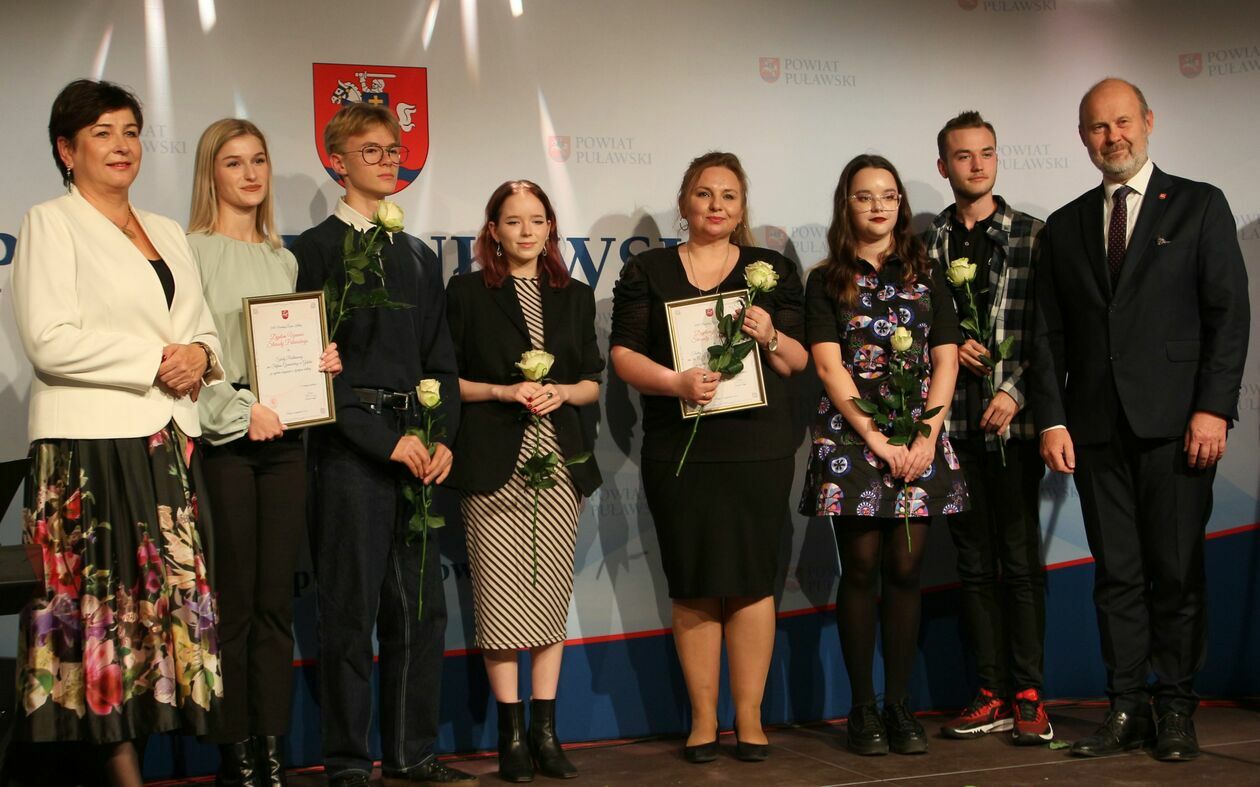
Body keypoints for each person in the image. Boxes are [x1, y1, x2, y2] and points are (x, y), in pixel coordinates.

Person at [11, 79, 225, 786]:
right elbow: (48, 340)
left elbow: (202, 330)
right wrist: (157, 360)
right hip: (88, 447)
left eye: (130, 130)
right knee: (101, 613)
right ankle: (119, 769)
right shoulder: (51, 222)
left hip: (166, 443)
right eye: (101, 132)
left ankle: (144, 762)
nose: (122, 144)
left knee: (162, 613)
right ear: (66, 150)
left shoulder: (167, 230)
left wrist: (201, 356)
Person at [1030, 77, 1250, 762]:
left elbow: (1229, 315)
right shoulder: (1065, 225)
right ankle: (1125, 705)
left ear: (1148, 122)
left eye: (1122, 122)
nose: (1112, 137)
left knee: (1176, 573)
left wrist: (1213, 407)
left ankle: (1175, 706)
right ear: (1083, 137)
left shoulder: (1199, 204)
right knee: (1117, 577)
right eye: (1098, 127)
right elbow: (1048, 334)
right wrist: (1052, 420)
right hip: (1096, 431)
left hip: (1180, 429)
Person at [291, 102, 473, 786]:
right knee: (348, 614)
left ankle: (412, 752)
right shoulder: (314, 249)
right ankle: (346, 761)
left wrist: (440, 436)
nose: (387, 161)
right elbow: (309, 367)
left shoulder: (418, 256)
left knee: (422, 611)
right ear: (338, 161)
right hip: (349, 455)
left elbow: (441, 361)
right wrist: (379, 440)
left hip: (417, 451)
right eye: (371, 151)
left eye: (393, 150)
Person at [610, 151, 808, 764]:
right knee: (694, 582)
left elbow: (798, 360)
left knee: (751, 582)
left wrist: (770, 335)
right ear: (684, 202)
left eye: (728, 195)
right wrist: (675, 382)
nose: (716, 205)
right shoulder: (648, 270)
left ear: (742, 206)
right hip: (680, 449)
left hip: (757, 448)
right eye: (704, 193)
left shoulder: (771, 269)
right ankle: (703, 721)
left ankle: (749, 719)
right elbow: (623, 354)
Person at [188, 118, 342, 786]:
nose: (250, 174)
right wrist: (239, 410)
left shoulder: (285, 259)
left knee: (276, 602)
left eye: (258, 160)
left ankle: (271, 751)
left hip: (284, 442)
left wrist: (320, 364)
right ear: (210, 173)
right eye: (233, 162)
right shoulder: (188, 251)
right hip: (224, 441)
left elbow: (286, 348)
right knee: (234, 603)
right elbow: (191, 357)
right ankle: (235, 755)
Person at [798, 154, 966, 757]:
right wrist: (876, 439)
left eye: (888, 195)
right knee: (862, 569)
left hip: (920, 438)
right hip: (854, 440)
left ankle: (899, 705)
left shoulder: (928, 273)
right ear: (847, 204)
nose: (878, 206)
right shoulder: (825, 279)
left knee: (906, 571)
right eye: (865, 196)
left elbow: (946, 358)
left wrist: (925, 436)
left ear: (900, 204)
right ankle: (862, 708)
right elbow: (827, 365)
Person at [445, 180, 603, 782]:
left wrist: (561, 392)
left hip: (558, 463)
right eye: (513, 221)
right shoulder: (466, 293)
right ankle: (510, 737)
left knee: (549, 599)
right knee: (500, 600)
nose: (527, 231)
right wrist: (502, 390)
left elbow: (591, 382)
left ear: (551, 227)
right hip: (492, 465)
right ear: (493, 231)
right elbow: (446, 379)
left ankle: (546, 733)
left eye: (537, 220)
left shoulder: (575, 296)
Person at [923, 112, 1052, 745]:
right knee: (973, 565)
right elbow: (911, 331)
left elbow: (1053, 332)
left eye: (987, 153)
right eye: (963, 156)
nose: (977, 165)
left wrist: (1014, 389)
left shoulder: (1032, 234)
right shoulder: (927, 244)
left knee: (1020, 563)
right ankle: (991, 692)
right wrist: (948, 349)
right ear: (942, 166)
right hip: (951, 428)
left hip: (1014, 428)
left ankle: (1029, 695)